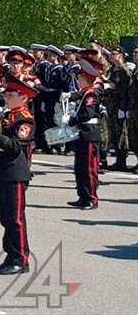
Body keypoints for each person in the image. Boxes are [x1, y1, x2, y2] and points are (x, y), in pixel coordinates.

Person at [0, 74, 36, 275]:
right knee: (4, 217)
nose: (7, 97)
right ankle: (11, 254)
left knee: (15, 219)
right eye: (7, 94)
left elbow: (14, 146)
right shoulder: (7, 116)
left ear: (23, 98)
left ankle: (21, 258)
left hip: (14, 172)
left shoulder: (25, 119)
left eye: (11, 95)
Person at [65, 60, 102, 210]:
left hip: (89, 134)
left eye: (80, 78)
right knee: (79, 168)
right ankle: (83, 196)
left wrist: (73, 119)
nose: (78, 81)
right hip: (82, 133)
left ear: (86, 79)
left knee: (89, 169)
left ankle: (91, 198)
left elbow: (87, 114)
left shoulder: (91, 94)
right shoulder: (84, 93)